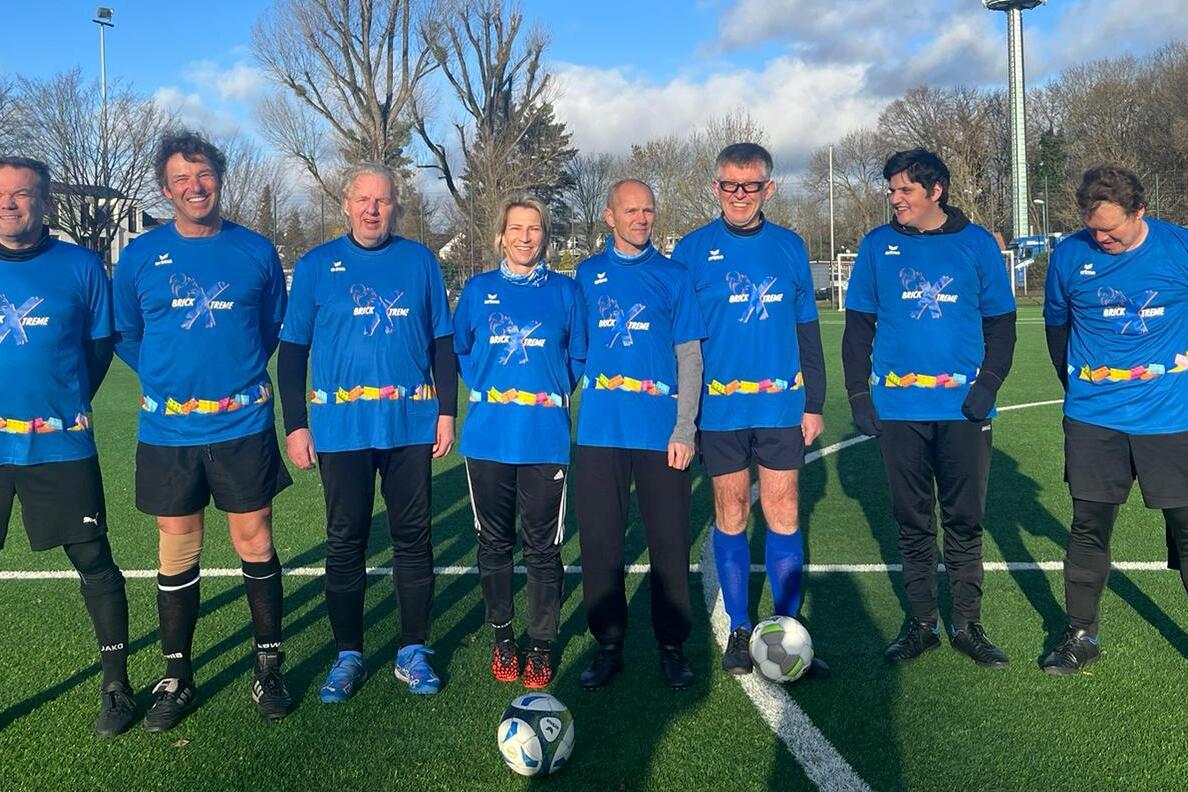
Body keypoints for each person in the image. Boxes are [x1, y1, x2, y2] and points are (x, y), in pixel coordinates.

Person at [113, 131, 292, 730]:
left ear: (220, 176)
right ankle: (178, 674)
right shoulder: (139, 255)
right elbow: (128, 333)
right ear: (165, 190)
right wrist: (166, 379)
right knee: (178, 543)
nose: (195, 186)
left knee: (254, 538)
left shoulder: (257, 251)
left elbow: (270, 327)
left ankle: (268, 665)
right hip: (169, 431)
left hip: (242, 423)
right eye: (181, 179)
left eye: (204, 174)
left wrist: (230, 378)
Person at [278, 162, 457, 700]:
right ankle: (348, 653)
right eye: (363, 200)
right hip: (341, 429)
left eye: (382, 200)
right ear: (346, 204)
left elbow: (442, 343)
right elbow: (292, 352)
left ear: (396, 206)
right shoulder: (315, 266)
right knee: (345, 541)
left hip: (408, 426)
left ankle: (412, 650)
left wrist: (446, 411)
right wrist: (296, 426)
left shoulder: (420, 261)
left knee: (413, 539)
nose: (372, 209)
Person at [842, 148, 1016, 668]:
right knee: (912, 521)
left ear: (935, 190)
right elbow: (857, 331)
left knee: (963, 520)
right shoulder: (877, 246)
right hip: (899, 411)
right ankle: (922, 623)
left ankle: (967, 624)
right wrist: (858, 395)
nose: (895, 199)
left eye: (905, 190)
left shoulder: (978, 244)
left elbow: (1002, 326)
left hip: (963, 410)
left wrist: (985, 388)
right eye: (891, 190)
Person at [672, 143, 828, 676]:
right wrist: (683, 416)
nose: (740, 196)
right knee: (732, 513)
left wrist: (815, 402)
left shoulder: (790, 247)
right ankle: (740, 627)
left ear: (769, 188)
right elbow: (680, 341)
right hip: (718, 413)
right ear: (715, 188)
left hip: (782, 406)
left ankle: (788, 624)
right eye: (730, 186)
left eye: (751, 186)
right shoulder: (691, 251)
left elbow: (808, 329)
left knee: (783, 512)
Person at [0, 156, 133, 736]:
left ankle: (116, 685)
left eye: (21, 194)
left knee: (92, 560)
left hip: (59, 446)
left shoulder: (80, 266)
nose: (8, 203)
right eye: (0, 193)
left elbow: (98, 350)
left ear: (45, 204)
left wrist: (60, 402)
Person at [1040, 164, 1188, 674]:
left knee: (1186, 526)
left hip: (1171, 417)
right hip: (1094, 419)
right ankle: (1081, 635)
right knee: (1088, 527)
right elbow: (1057, 330)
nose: (1100, 238)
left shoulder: (1179, 248)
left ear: (1139, 211)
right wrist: (1081, 389)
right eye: (1092, 226)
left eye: (1111, 229)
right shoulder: (1069, 254)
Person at [573, 179, 706, 690]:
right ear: (609, 217)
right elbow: (576, 354)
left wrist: (684, 428)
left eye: (648, 210)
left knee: (669, 544)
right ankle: (608, 645)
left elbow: (689, 356)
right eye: (631, 211)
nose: (641, 219)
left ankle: (671, 646)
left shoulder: (673, 276)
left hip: (661, 436)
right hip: (600, 435)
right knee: (602, 546)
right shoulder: (587, 275)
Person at [453, 195, 587, 688]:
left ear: (545, 237)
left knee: (543, 548)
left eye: (534, 229)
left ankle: (541, 644)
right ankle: (504, 638)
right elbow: (462, 350)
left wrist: (546, 393)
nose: (525, 237)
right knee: (493, 543)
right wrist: (492, 388)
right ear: (501, 235)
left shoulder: (566, 292)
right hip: (487, 439)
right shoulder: (478, 289)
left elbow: (576, 357)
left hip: (544, 439)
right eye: (516, 228)